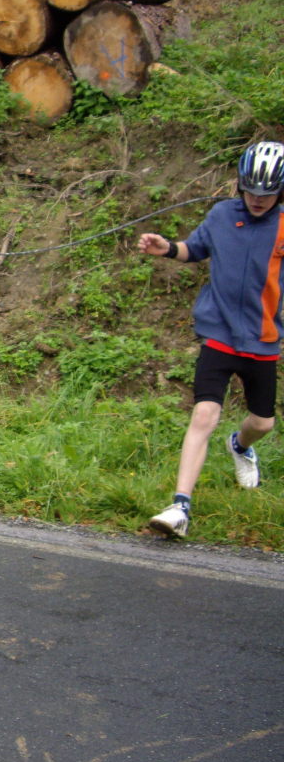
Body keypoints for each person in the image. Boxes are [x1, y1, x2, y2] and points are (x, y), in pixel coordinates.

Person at [137, 140, 284, 538]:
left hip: (263, 338)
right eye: (251, 190)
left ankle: (240, 445)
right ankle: (179, 507)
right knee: (204, 414)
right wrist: (167, 248)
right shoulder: (222, 215)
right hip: (218, 332)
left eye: (267, 193)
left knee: (263, 423)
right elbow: (195, 249)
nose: (258, 199)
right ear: (240, 184)